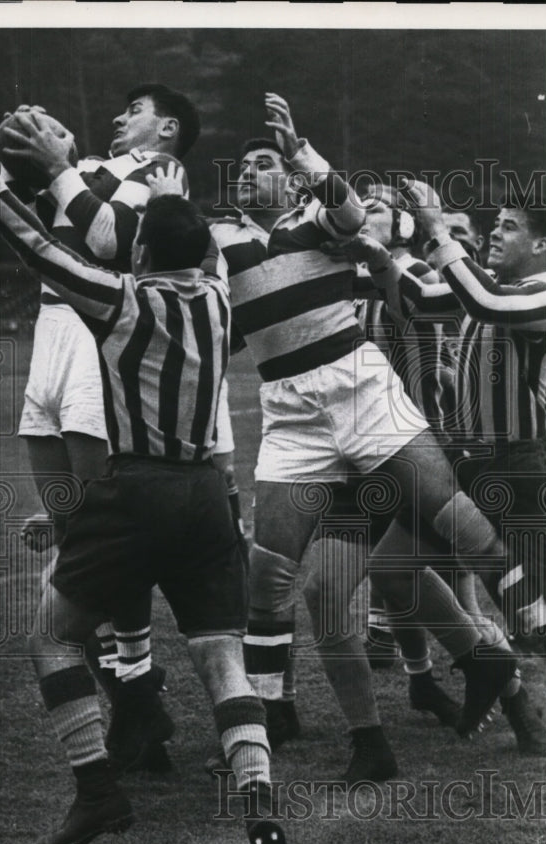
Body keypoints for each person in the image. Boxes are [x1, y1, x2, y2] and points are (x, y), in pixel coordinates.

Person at [0, 95, 301, 844]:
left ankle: (98, 789)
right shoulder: (215, 300)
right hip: (206, 495)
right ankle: (259, 801)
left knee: (53, 638)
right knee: (220, 659)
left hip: (131, 490)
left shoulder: (122, 299)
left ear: (137, 253)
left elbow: (33, 245)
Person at [211, 95, 521, 780]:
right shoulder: (221, 242)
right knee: (277, 580)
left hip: (361, 394)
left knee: (462, 536)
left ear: (289, 183)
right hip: (291, 417)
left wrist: (303, 153)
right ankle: (325, 735)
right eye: (244, 165)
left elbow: (349, 213)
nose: (246, 172)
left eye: (263, 164)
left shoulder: (318, 224)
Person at [0, 84, 202, 770]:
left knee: (95, 539)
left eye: (135, 108)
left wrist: (53, 166)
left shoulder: (158, 179)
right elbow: (26, 229)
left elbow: (110, 241)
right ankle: (139, 708)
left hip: (95, 334)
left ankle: (138, 701)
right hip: (49, 335)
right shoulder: (82, 171)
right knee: (69, 533)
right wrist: (2, 165)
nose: (117, 115)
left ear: (166, 128)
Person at [363, 179, 546, 730]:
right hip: (466, 467)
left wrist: (433, 224)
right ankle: (485, 662)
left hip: (522, 469)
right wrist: (376, 255)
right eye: (496, 225)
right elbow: (420, 301)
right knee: (388, 565)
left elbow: (485, 302)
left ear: (542, 246)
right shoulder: (488, 285)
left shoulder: (543, 295)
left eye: (508, 227)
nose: (495, 234)